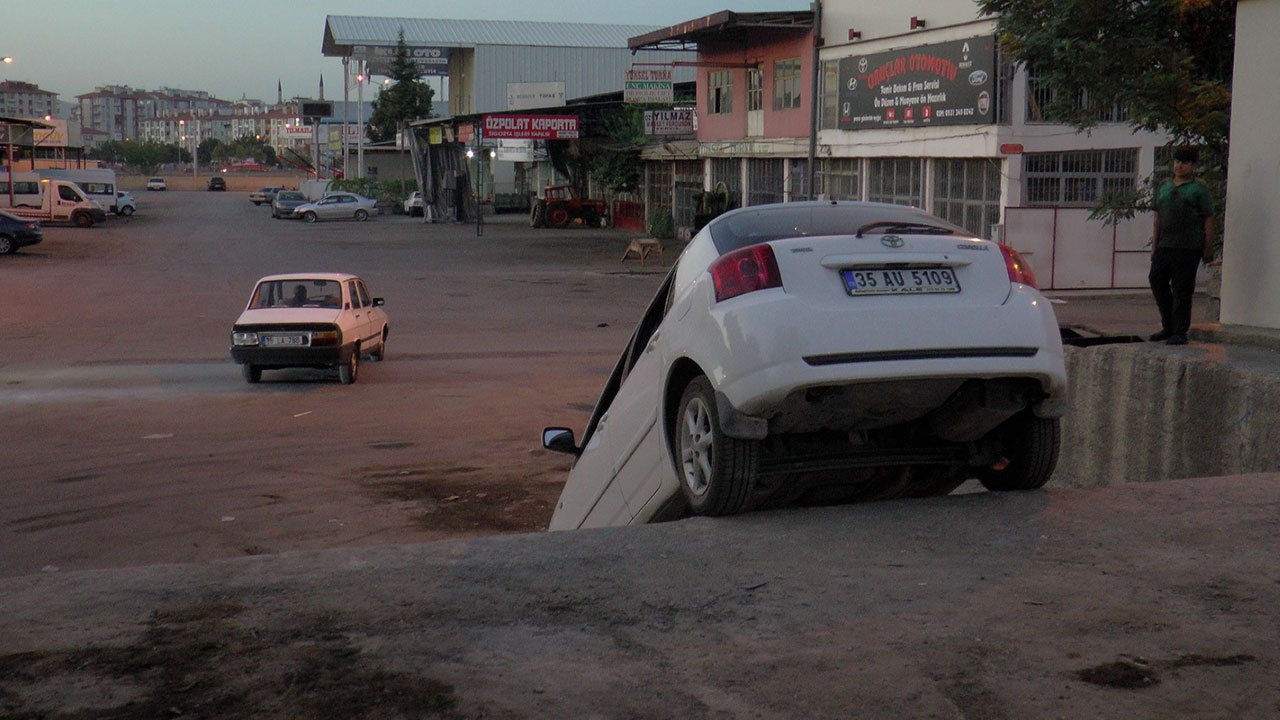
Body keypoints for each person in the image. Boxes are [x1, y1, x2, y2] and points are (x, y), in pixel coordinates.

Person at [1148, 146, 1215, 346]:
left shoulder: (1198, 188)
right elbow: (1158, 217)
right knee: (1157, 281)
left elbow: (1209, 218)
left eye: (1184, 162)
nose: (1179, 165)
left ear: (1193, 166)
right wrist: (1155, 244)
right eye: (1177, 161)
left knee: (1182, 290)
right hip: (1165, 245)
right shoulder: (1164, 186)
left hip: (1188, 247)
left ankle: (1179, 332)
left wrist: (1208, 247)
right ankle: (1168, 326)